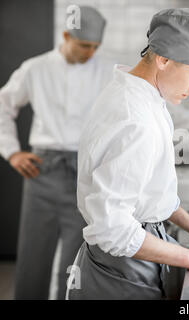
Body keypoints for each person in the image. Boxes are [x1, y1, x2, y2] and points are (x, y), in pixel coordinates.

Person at [67, 8, 189, 300]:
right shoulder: (134, 119)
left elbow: (146, 190)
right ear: (164, 59)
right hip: (123, 268)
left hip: (135, 254)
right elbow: (112, 229)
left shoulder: (144, 96)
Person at [0, 6, 113, 299]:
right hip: (42, 171)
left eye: (96, 47)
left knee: (76, 258)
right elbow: (3, 105)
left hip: (84, 175)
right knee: (33, 254)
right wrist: (12, 152)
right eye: (84, 45)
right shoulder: (35, 68)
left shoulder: (107, 72)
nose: (91, 53)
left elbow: (148, 101)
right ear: (65, 35)